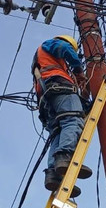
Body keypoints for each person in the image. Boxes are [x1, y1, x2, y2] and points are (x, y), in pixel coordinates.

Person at [32, 35, 92, 197]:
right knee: (72, 120)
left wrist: (85, 102)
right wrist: (79, 71)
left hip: (47, 100)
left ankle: (54, 174)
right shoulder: (53, 44)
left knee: (58, 132)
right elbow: (65, 50)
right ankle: (64, 156)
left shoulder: (44, 63)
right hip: (57, 87)